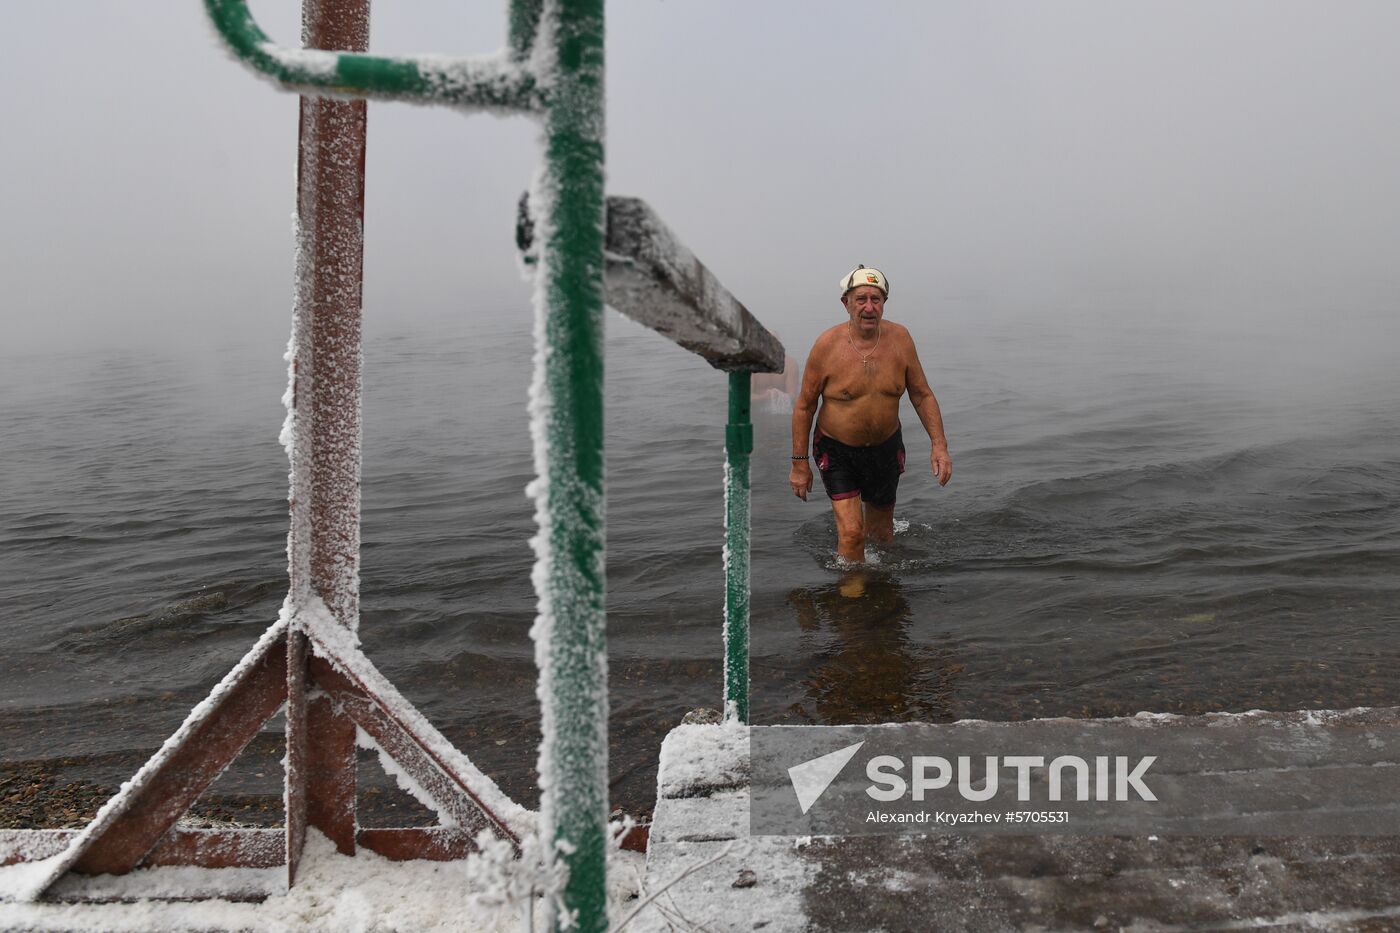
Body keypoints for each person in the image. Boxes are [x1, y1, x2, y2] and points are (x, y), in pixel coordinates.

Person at [789, 265, 952, 563]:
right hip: (837, 450)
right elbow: (805, 406)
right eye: (861, 299)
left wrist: (939, 445)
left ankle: (880, 589)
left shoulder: (900, 339)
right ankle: (851, 592)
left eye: (875, 299)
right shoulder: (826, 346)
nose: (868, 307)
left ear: (884, 303)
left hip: (885, 448)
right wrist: (800, 464)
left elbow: (922, 394)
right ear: (846, 303)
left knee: (881, 536)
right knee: (852, 535)